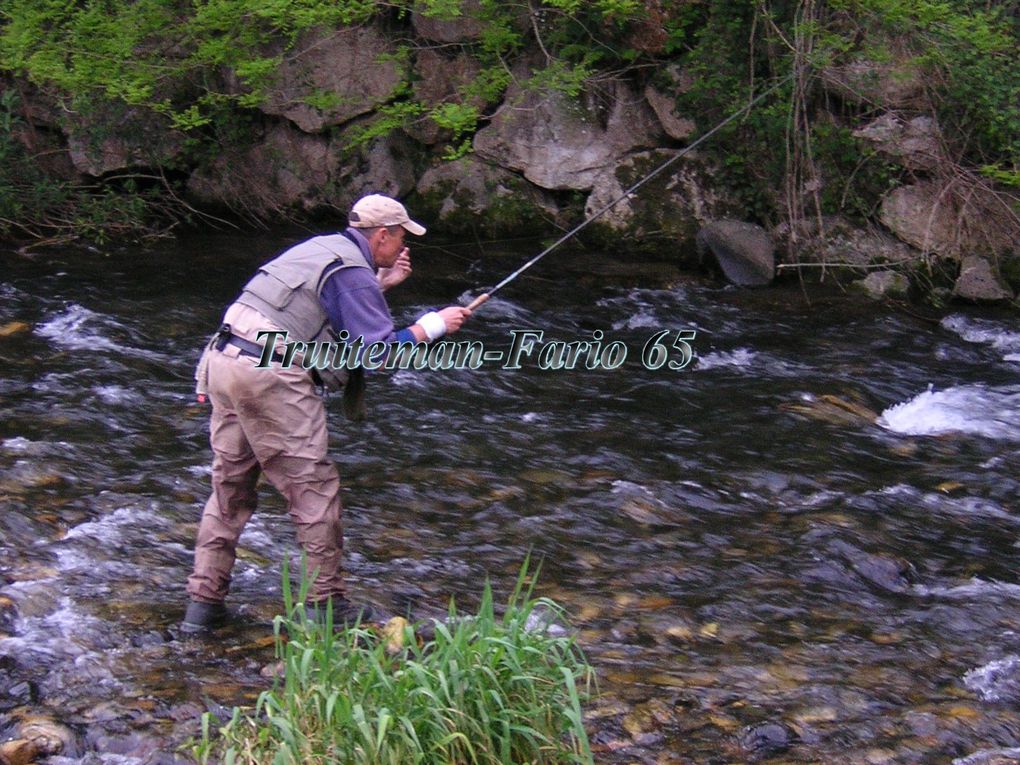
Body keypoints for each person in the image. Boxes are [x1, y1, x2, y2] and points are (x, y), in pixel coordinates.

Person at [181, 194, 471, 633]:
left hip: (223, 362)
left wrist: (380, 285)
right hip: (270, 373)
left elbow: (309, 314)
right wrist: (433, 325)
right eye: (402, 237)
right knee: (314, 490)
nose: (406, 247)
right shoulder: (353, 272)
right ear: (383, 235)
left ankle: (202, 608)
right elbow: (376, 355)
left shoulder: (320, 249)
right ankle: (325, 606)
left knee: (230, 491)